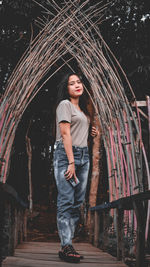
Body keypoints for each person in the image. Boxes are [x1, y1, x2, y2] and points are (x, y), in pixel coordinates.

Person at [53, 71, 98, 263]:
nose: (77, 85)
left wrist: (91, 131)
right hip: (66, 156)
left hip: (83, 156)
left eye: (79, 82)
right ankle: (66, 245)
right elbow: (65, 134)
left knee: (77, 201)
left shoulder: (82, 111)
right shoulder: (64, 105)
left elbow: (77, 130)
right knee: (66, 199)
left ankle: (67, 242)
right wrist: (71, 162)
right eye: (72, 83)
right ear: (66, 88)